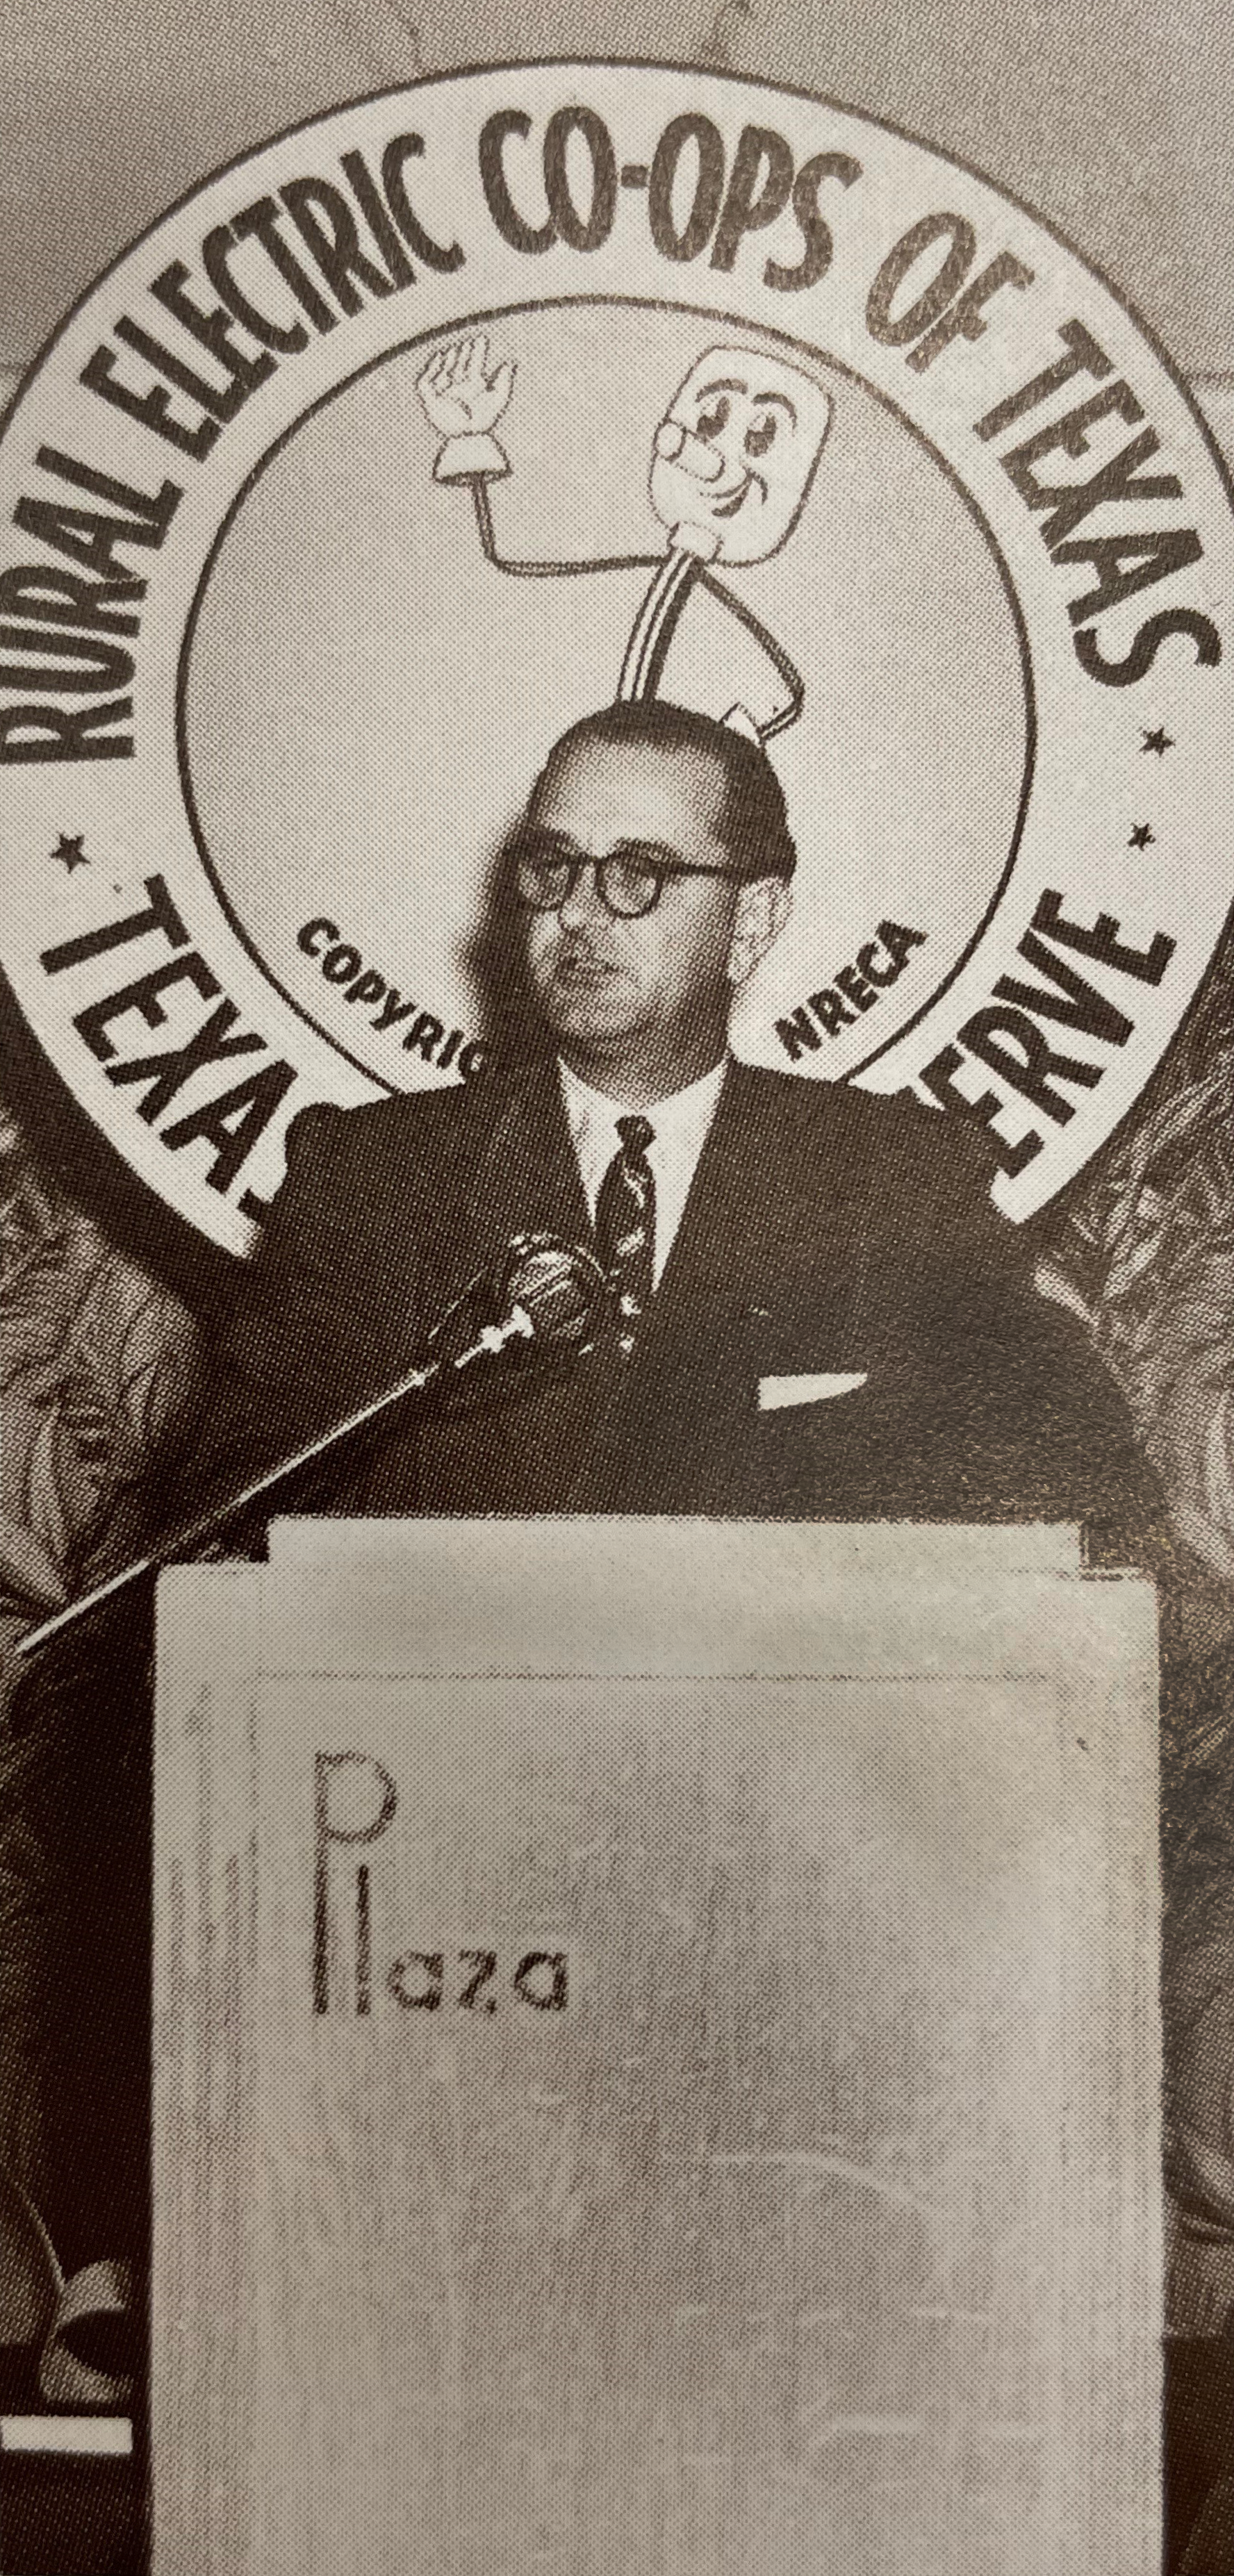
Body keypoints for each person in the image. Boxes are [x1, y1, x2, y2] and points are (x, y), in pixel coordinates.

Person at [174, 697, 1158, 1543]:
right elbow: (229, 1516)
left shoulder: (891, 1174)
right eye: (551, 867)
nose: (581, 915)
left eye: (638, 871)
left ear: (753, 922)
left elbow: (1077, 1472)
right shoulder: (372, 1175)